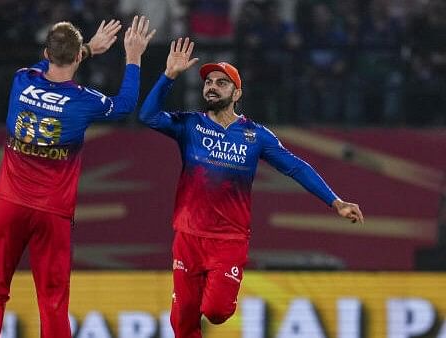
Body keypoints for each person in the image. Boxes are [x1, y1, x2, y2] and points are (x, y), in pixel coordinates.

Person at [139, 37, 364, 338]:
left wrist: (335, 202)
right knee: (183, 321)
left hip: (229, 240)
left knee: (217, 312)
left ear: (236, 93)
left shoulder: (255, 135)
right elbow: (148, 116)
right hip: (188, 235)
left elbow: (295, 166)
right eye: (209, 82)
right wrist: (169, 75)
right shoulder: (189, 125)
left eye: (221, 82)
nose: (212, 87)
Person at [0, 16, 155, 338]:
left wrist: (87, 48)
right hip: (52, 213)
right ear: (76, 58)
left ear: (46, 53)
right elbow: (125, 105)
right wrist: (133, 56)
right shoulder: (84, 102)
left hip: (7, 206)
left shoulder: (22, 80)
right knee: (53, 302)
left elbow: (52, 59)